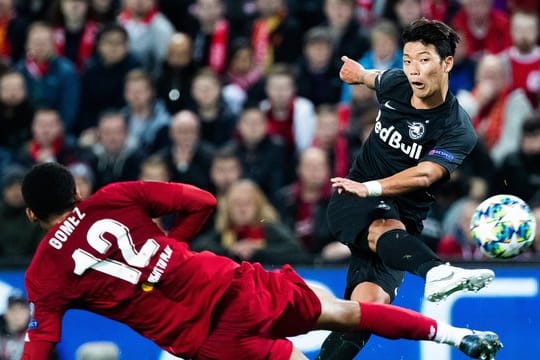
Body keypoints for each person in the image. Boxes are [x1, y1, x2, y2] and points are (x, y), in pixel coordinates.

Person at [20, 162, 502, 360]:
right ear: (77, 192)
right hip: (229, 282)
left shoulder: (43, 274)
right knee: (343, 312)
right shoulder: (115, 197)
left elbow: (42, 344)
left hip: (206, 338)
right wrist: (177, 246)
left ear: (30, 214)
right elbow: (203, 202)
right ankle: (457, 336)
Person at [317, 18, 499, 359]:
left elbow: (424, 176)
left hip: (399, 225)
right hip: (352, 198)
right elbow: (373, 78)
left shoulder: (457, 129)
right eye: (407, 60)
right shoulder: (398, 83)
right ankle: (436, 273)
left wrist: (373, 188)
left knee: (366, 311)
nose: (414, 70)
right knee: (385, 223)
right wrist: (357, 73)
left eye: (424, 60)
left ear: (447, 63)